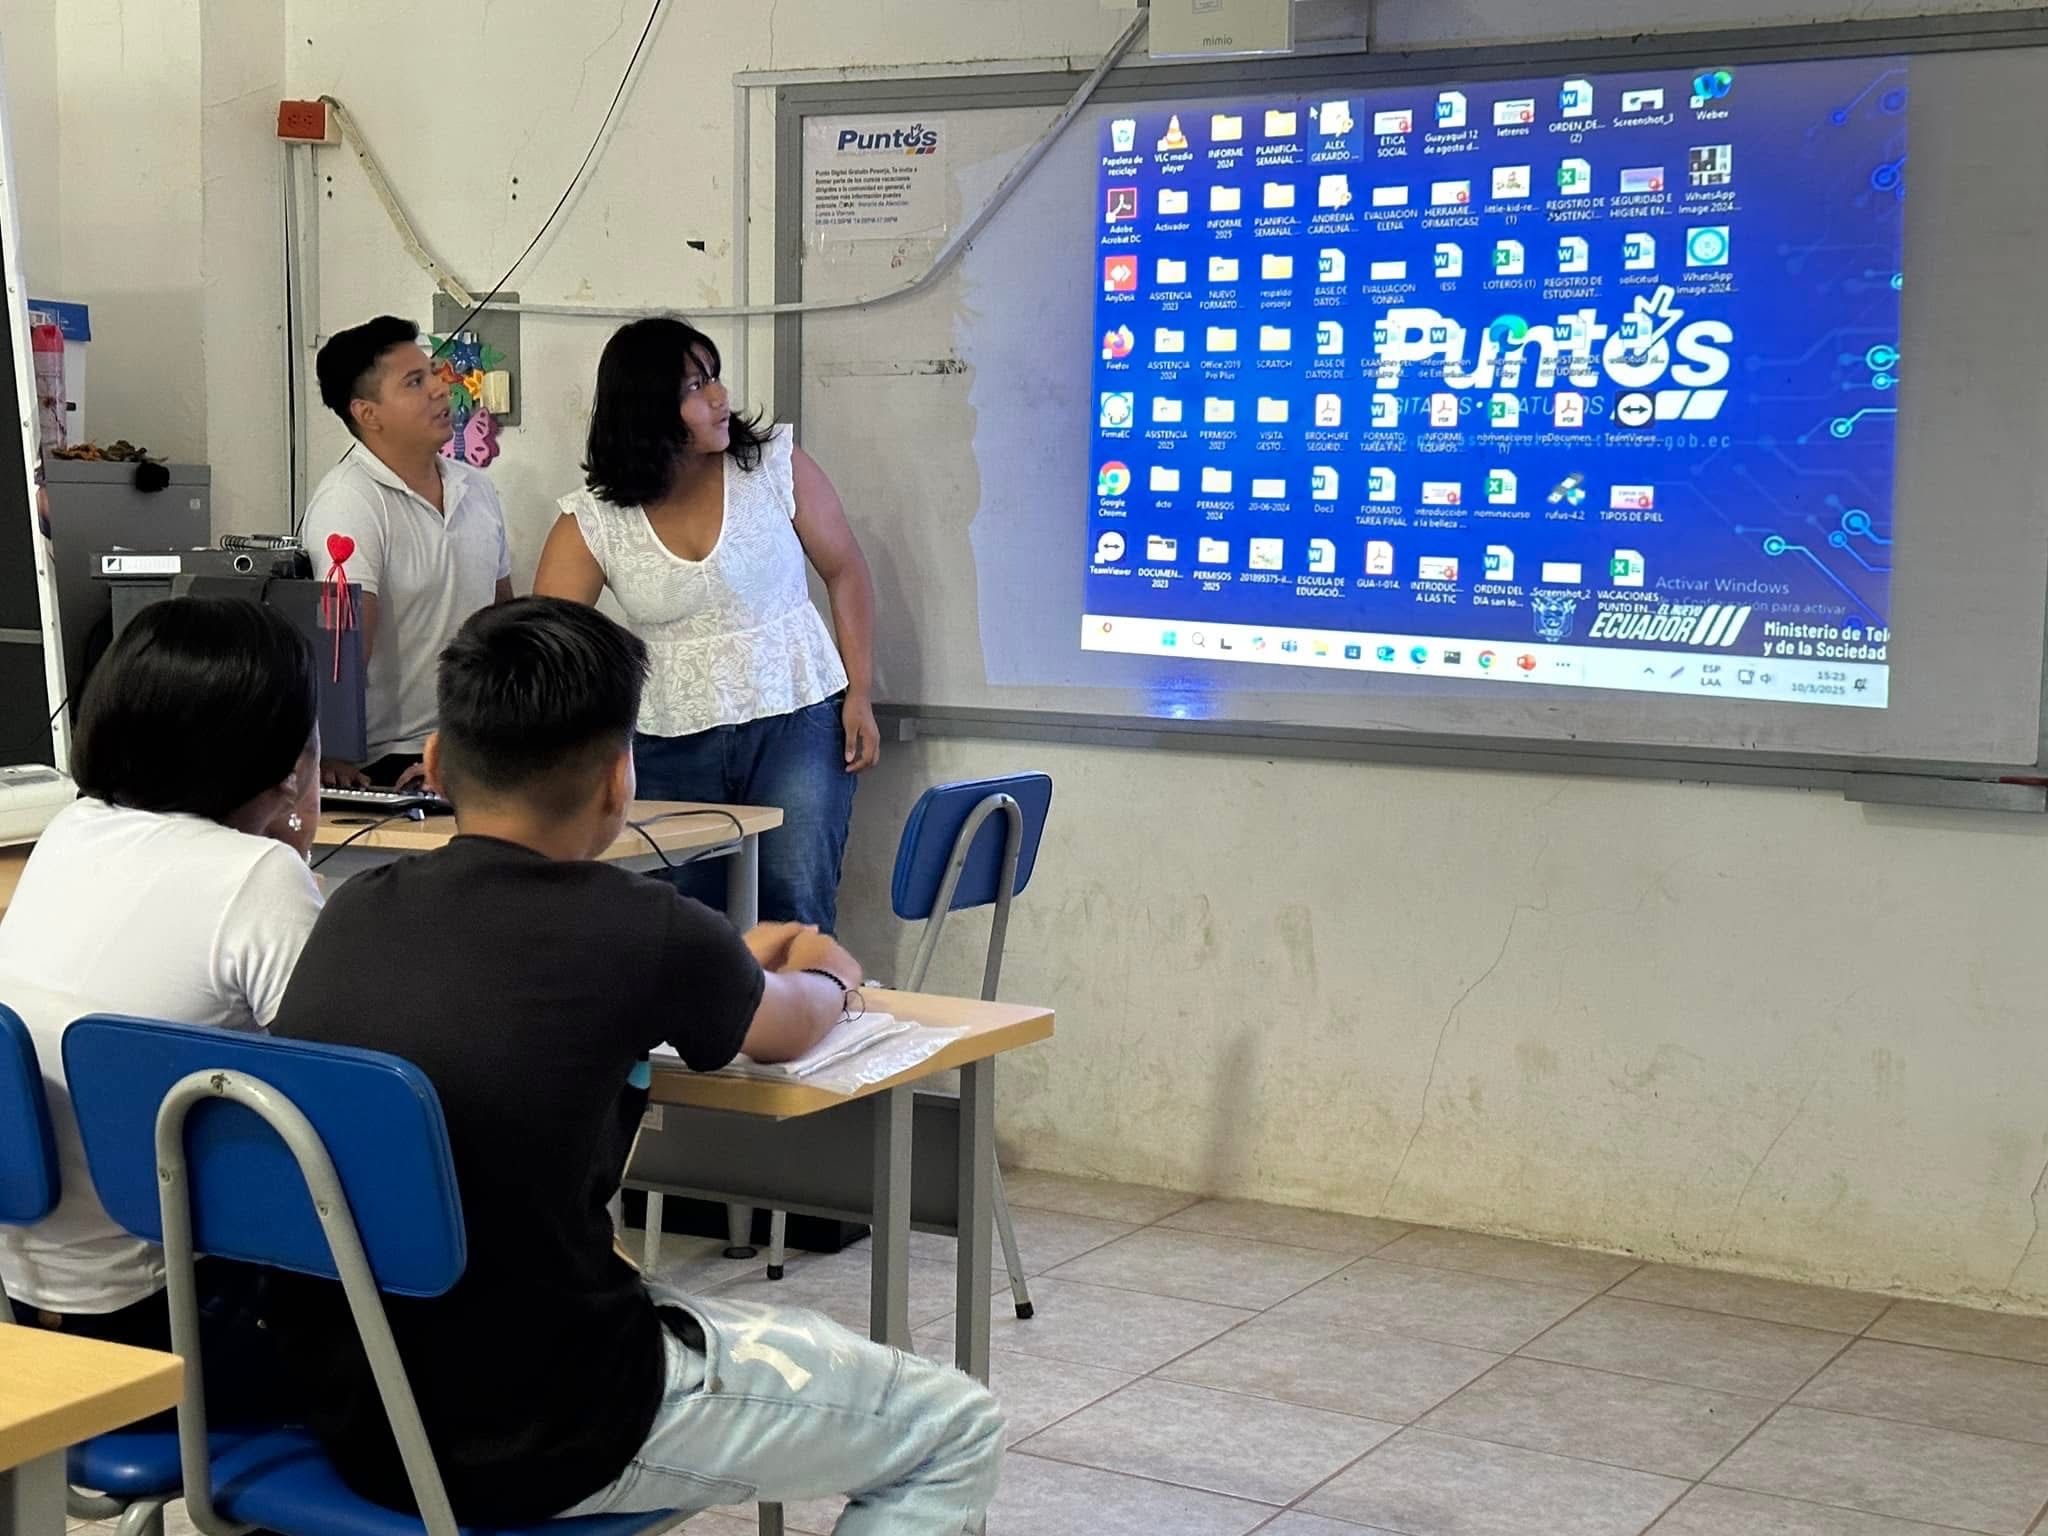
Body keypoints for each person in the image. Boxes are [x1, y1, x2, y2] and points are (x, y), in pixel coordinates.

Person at [266, 598, 1001, 1532]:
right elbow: (784, 1032)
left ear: (439, 764)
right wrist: (831, 974)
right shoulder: (642, 926)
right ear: (622, 780)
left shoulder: (356, 907)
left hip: (357, 1412)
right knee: (953, 1428)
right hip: (547, 1427)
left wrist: (726, 964)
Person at [0, 596, 323, 1388]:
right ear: (282, 757)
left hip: (32, 1306)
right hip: (171, 1325)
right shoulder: (257, 877)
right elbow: (347, 1110)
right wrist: (297, 823)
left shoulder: (73, 830)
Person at [534, 316, 878, 930]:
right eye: (695, 387)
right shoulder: (593, 521)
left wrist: (861, 693)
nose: (720, 397)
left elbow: (846, 570)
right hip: (666, 742)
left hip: (796, 720)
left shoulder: (774, 466)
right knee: (681, 922)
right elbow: (547, 647)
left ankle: (799, 999)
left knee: (793, 909)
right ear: (646, 410)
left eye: (713, 377)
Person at [305, 315, 513, 788]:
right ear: (367, 413)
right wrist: (334, 751)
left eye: (433, 374)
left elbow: (503, 618)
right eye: (415, 382)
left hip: (475, 746)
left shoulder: (476, 488)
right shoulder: (350, 500)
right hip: (385, 758)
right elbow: (344, 639)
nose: (440, 389)